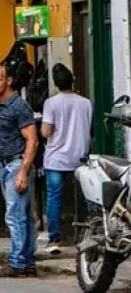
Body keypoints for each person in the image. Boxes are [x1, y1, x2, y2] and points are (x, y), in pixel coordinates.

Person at [0, 64, 40, 278]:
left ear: (8, 81)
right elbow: (10, 141)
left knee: (15, 217)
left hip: (16, 167)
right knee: (23, 217)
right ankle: (28, 262)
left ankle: (17, 263)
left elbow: (32, 141)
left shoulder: (18, 107)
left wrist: (23, 171)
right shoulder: (1, 107)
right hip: (6, 165)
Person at [41, 63, 92, 255]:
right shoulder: (86, 103)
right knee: (87, 197)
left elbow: (46, 131)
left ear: (56, 84)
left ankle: (54, 239)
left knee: (54, 198)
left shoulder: (51, 103)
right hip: (80, 158)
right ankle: (90, 234)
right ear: (72, 81)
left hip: (56, 159)